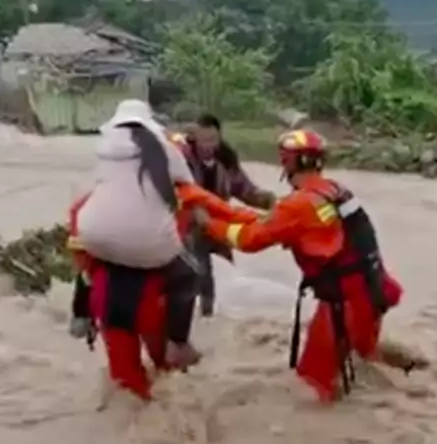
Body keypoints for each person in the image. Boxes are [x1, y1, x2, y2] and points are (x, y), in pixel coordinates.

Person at [67, 99, 259, 401]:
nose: (209, 144)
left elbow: (81, 250)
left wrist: (82, 311)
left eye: (213, 138)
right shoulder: (172, 160)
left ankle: (80, 317)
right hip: (155, 291)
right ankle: (178, 343)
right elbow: (209, 204)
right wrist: (262, 220)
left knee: (126, 385)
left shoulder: (98, 173)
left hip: (106, 297)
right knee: (169, 372)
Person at [198, 129, 404, 403]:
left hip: (341, 307)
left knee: (312, 385)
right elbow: (274, 222)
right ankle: (412, 372)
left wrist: (206, 224)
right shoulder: (334, 191)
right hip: (373, 292)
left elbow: (248, 240)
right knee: (367, 361)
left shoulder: (297, 206)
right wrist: (219, 209)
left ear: (288, 163)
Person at [171, 114, 277, 317]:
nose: (208, 145)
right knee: (199, 274)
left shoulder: (226, 159)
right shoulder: (180, 159)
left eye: (213, 140)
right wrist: (194, 211)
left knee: (224, 275)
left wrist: (269, 201)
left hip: (217, 224)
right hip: (189, 227)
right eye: (204, 140)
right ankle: (202, 320)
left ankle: (214, 318)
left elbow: (245, 190)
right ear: (194, 137)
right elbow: (174, 191)